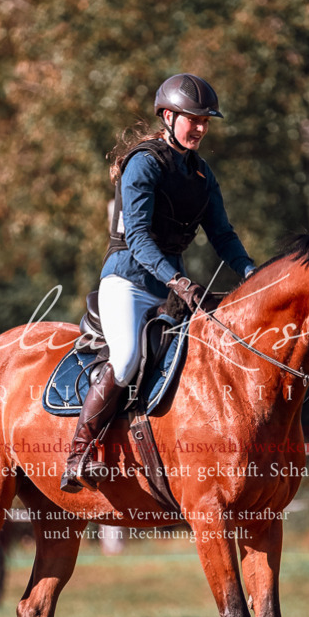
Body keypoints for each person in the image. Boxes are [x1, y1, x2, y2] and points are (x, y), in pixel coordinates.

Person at [61, 73, 257, 492]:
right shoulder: (144, 163)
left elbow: (223, 235)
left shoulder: (201, 174)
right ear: (168, 116)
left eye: (206, 120)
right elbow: (138, 238)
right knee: (129, 355)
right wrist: (180, 281)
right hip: (128, 282)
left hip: (168, 289)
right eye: (193, 119)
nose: (201, 128)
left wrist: (250, 274)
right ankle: (79, 453)